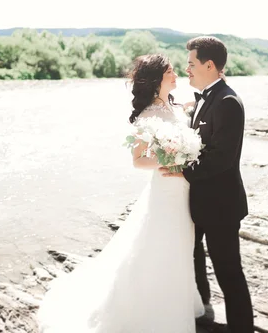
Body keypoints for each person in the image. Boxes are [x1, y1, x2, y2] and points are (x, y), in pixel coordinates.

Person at [36, 53, 204, 332]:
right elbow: (139, 161)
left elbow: (190, 126)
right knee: (161, 248)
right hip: (164, 194)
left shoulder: (177, 108)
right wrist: (172, 159)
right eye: (171, 71)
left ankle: (177, 304)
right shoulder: (148, 116)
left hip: (185, 191)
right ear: (156, 79)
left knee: (181, 249)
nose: (176, 75)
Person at [161, 36, 254, 333]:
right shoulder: (204, 99)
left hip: (222, 206)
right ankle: (203, 307)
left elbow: (221, 159)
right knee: (194, 256)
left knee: (229, 273)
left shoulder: (227, 101)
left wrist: (181, 172)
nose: (187, 69)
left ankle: (242, 328)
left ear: (209, 65)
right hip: (200, 202)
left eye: (191, 63)